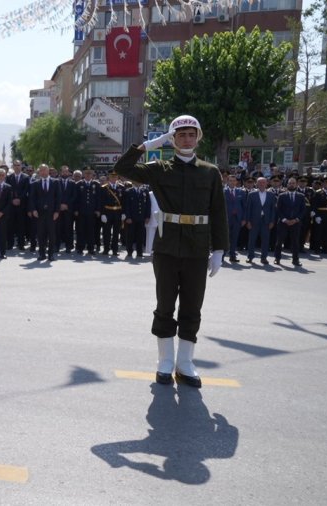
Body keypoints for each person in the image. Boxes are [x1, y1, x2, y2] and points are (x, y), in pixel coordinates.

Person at [114, 114, 227, 389]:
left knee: (192, 306)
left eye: (191, 134)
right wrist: (147, 145)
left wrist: (219, 249)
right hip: (167, 247)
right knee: (165, 304)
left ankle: (185, 363)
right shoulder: (159, 168)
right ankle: (165, 361)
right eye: (180, 135)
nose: (186, 139)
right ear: (172, 139)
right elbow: (122, 168)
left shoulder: (210, 171)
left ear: (197, 137)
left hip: (197, 248)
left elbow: (218, 212)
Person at [28, 163, 60, 261]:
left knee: (51, 234)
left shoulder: (55, 182)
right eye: (41, 170)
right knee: (41, 234)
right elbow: (32, 198)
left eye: (44, 170)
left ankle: (51, 254)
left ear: (48, 171)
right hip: (39, 213)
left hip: (51, 213)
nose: (42, 172)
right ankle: (42, 254)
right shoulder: (35, 184)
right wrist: (33, 210)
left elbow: (58, 198)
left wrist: (57, 211)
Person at [274, 177, 305, 266]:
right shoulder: (282, 195)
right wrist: (285, 220)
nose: (292, 185)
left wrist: (296, 219)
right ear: (287, 184)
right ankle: (277, 258)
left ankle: (295, 260)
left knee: (295, 242)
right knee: (279, 241)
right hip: (283, 222)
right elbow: (278, 209)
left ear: (296, 184)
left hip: (295, 223)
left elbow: (303, 210)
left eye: (293, 183)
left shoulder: (301, 196)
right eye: (290, 183)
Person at [245, 177, 277, 264]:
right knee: (252, 240)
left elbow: (273, 210)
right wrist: (248, 221)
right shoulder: (251, 194)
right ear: (256, 184)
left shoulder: (271, 195)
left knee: (265, 241)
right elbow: (248, 209)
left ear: (267, 184)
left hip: (266, 222)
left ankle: (264, 258)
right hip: (254, 221)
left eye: (263, 183)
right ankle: (250, 257)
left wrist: (272, 221)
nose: (262, 184)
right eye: (260, 183)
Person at [98, 171, 125, 256]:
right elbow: (101, 202)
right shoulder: (104, 188)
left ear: (117, 177)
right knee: (106, 232)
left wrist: (124, 213)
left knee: (116, 233)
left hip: (117, 213)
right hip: (107, 212)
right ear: (108, 177)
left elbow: (124, 202)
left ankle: (115, 250)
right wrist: (102, 214)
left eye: (115, 176)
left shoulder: (121, 187)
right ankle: (106, 249)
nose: (114, 178)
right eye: (112, 176)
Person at [76, 168, 101, 255]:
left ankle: (91, 248)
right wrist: (76, 210)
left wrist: (98, 210)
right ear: (83, 174)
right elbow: (76, 198)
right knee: (80, 230)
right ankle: (80, 247)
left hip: (92, 212)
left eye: (90, 174)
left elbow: (98, 198)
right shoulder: (79, 184)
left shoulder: (96, 184)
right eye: (86, 173)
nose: (88, 175)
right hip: (81, 211)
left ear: (92, 175)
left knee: (91, 230)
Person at [223, 174, 247, 262]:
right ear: (227, 181)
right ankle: (222, 256)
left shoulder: (241, 192)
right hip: (226, 219)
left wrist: (244, 219)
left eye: (234, 181)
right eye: (230, 180)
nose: (232, 182)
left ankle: (232, 256)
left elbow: (245, 207)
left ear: (236, 182)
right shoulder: (223, 191)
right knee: (225, 238)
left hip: (237, 219)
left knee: (235, 238)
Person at [56, 165, 77, 254]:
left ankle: (69, 246)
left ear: (68, 173)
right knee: (57, 228)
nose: (65, 173)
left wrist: (66, 205)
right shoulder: (56, 182)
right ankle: (56, 246)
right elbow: (55, 195)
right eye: (63, 171)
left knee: (69, 228)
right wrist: (60, 205)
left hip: (68, 209)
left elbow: (74, 196)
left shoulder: (73, 183)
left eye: (66, 171)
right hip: (58, 209)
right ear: (61, 172)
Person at [0, 168, 13, 259]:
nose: (1, 176)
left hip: (4, 215)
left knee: (3, 234)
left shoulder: (8, 187)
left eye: (2, 175)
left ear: (5, 176)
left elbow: (9, 202)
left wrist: (2, 212)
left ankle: (2, 253)